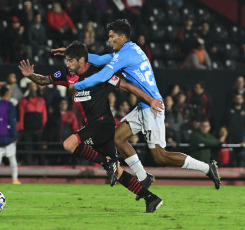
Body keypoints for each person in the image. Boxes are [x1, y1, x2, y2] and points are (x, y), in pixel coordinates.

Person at [52, 19, 221, 195]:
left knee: (160, 156)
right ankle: (143, 177)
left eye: (112, 37)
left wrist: (76, 86)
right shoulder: (129, 50)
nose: (109, 40)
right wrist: (71, 53)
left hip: (152, 105)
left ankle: (207, 168)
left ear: (122, 37)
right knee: (118, 137)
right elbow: (101, 59)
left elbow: (102, 76)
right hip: (143, 105)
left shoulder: (125, 55)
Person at [19, 41, 164, 213]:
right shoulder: (66, 74)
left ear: (82, 60)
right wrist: (30, 75)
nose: (68, 64)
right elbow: (44, 80)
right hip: (94, 126)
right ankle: (151, 198)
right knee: (117, 173)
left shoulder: (100, 73)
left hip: (103, 123)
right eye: (67, 60)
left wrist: (150, 100)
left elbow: (126, 86)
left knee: (69, 144)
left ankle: (107, 162)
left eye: (71, 61)